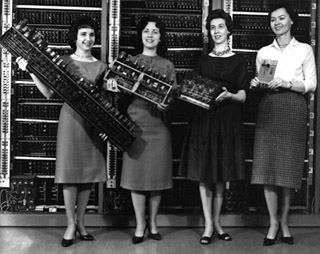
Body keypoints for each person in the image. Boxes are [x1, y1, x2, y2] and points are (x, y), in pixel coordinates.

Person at [16, 15, 108, 247]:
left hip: (92, 124)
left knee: (87, 176)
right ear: (75, 38)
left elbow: (106, 102)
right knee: (70, 174)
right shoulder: (64, 62)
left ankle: (82, 223)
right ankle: (69, 224)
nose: (88, 39)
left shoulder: (102, 66)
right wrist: (31, 71)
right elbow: (48, 93)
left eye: (91, 35)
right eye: (83, 34)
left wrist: (107, 127)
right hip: (70, 122)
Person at [178, 9, 248, 245]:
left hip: (227, 120)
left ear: (229, 30)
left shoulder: (239, 60)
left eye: (220, 27)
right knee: (204, 173)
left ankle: (217, 223)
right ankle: (208, 224)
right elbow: (193, 92)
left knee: (221, 174)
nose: (216, 31)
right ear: (209, 32)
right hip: (204, 120)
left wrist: (229, 96)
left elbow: (243, 96)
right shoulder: (203, 60)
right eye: (212, 27)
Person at [250, 3, 317, 246]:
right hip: (269, 108)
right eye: (272, 20)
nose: (276, 23)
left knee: (287, 170)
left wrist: (288, 84)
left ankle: (285, 221)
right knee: (267, 168)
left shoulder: (304, 49)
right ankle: (273, 223)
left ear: (291, 21)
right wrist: (256, 83)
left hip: (293, 108)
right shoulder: (263, 52)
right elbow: (262, 81)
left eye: (281, 18)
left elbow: (311, 83)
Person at [116, 16, 176, 244]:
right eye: (146, 31)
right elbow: (119, 95)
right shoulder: (130, 61)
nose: (150, 35)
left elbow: (172, 99)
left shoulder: (167, 65)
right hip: (135, 125)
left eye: (155, 32)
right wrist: (113, 85)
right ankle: (140, 224)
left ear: (160, 37)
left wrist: (166, 104)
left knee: (156, 178)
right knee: (137, 177)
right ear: (140, 35)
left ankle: (153, 223)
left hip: (158, 127)